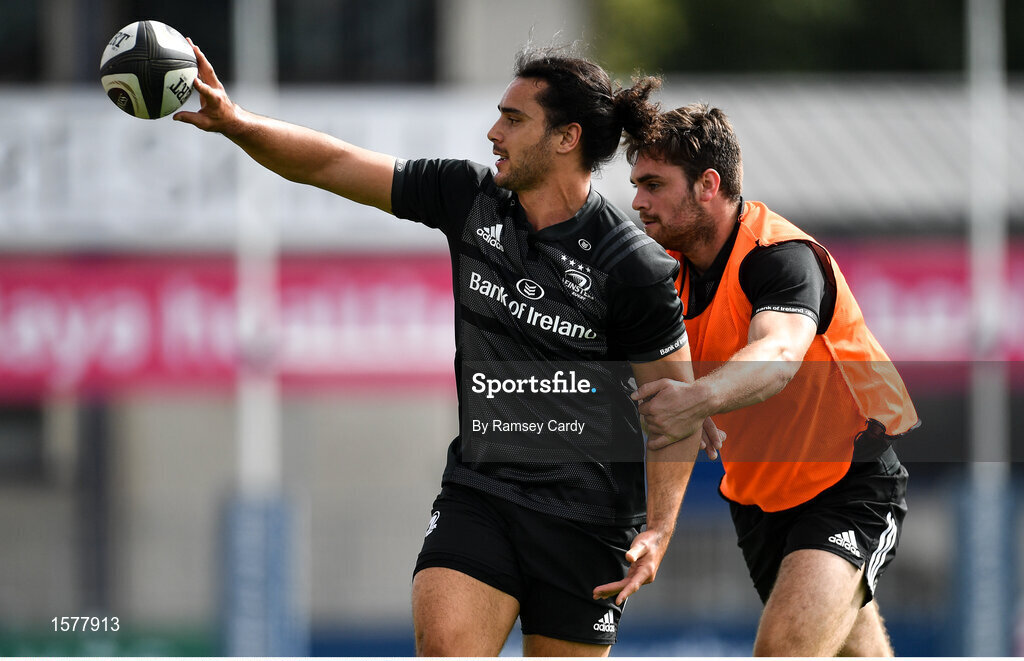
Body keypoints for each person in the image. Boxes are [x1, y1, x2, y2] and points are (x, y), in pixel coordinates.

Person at [174, 42, 719, 656]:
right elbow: (330, 164)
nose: (493, 133)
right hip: (481, 493)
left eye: (514, 120)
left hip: (587, 521)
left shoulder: (632, 265)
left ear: (566, 138)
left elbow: (675, 412)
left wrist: (661, 528)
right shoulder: (468, 197)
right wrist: (237, 124)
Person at [611, 103, 919, 656]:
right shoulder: (665, 275)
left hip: (848, 481)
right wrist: (657, 530)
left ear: (708, 184)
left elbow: (779, 354)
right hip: (757, 502)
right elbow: (661, 399)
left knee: (783, 651)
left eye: (653, 185)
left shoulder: (781, 256)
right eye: (636, 185)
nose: (638, 201)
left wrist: (698, 399)